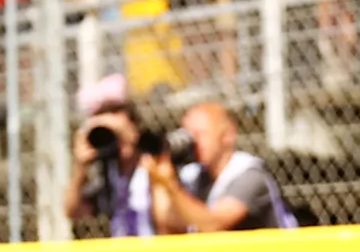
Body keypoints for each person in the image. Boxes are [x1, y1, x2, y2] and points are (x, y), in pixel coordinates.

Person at [145, 98, 296, 231]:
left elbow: (213, 224)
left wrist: (171, 186)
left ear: (227, 136)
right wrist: (158, 177)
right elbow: (170, 224)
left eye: (200, 134)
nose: (193, 142)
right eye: (188, 134)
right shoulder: (196, 176)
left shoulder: (250, 175)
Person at [71, 74, 155, 238]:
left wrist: (131, 137)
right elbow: (74, 210)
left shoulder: (153, 160)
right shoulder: (111, 174)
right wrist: (80, 167)